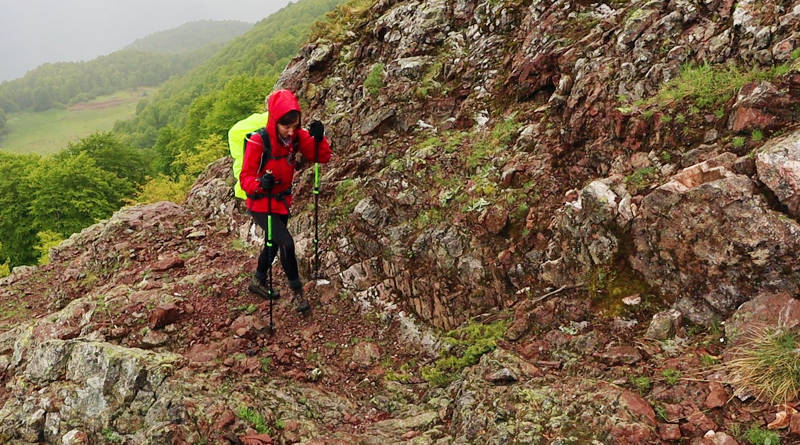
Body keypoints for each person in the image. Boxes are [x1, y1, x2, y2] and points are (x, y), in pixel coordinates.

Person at [239, 89, 332, 312]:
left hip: (281, 201)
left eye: (294, 126)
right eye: (286, 127)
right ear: (275, 121)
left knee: (272, 244)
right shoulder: (258, 141)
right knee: (286, 243)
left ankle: (257, 280)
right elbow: (245, 178)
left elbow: (322, 156)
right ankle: (297, 293)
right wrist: (261, 184)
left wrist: (320, 138)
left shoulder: (297, 137)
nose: (291, 132)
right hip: (261, 202)